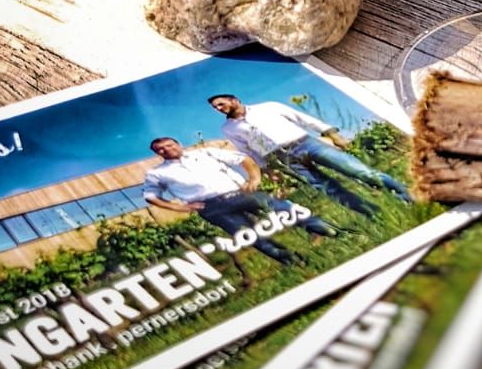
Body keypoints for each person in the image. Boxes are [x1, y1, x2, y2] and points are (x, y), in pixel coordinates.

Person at [208, 94, 413, 218]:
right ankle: (372, 213)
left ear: (234, 100)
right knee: (328, 189)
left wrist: (333, 134)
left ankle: (405, 194)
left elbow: (303, 118)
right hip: (283, 157)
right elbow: (248, 150)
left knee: (359, 171)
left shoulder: (268, 107)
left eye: (220, 103)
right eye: (215, 108)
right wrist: (268, 169)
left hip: (306, 143)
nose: (218, 108)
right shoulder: (229, 128)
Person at [142, 137, 337, 263]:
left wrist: (254, 178)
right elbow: (150, 196)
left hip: (240, 193)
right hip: (210, 207)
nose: (166, 150)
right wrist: (179, 208)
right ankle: (293, 261)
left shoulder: (205, 152)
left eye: (169, 145)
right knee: (250, 235)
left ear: (178, 144)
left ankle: (331, 232)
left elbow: (243, 159)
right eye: (160, 149)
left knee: (286, 209)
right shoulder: (157, 173)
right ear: (157, 154)